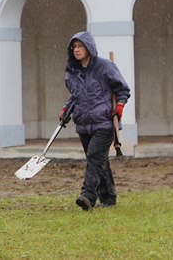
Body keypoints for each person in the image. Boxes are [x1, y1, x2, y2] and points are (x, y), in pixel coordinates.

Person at [60, 31, 130, 211]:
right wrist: (66, 110)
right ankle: (108, 198)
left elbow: (122, 90)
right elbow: (75, 97)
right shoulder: (72, 71)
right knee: (99, 161)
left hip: (104, 122)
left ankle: (88, 196)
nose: (77, 50)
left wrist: (120, 106)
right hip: (83, 124)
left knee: (94, 156)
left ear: (89, 47)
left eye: (80, 46)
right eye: (74, 47)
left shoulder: (105, 67)